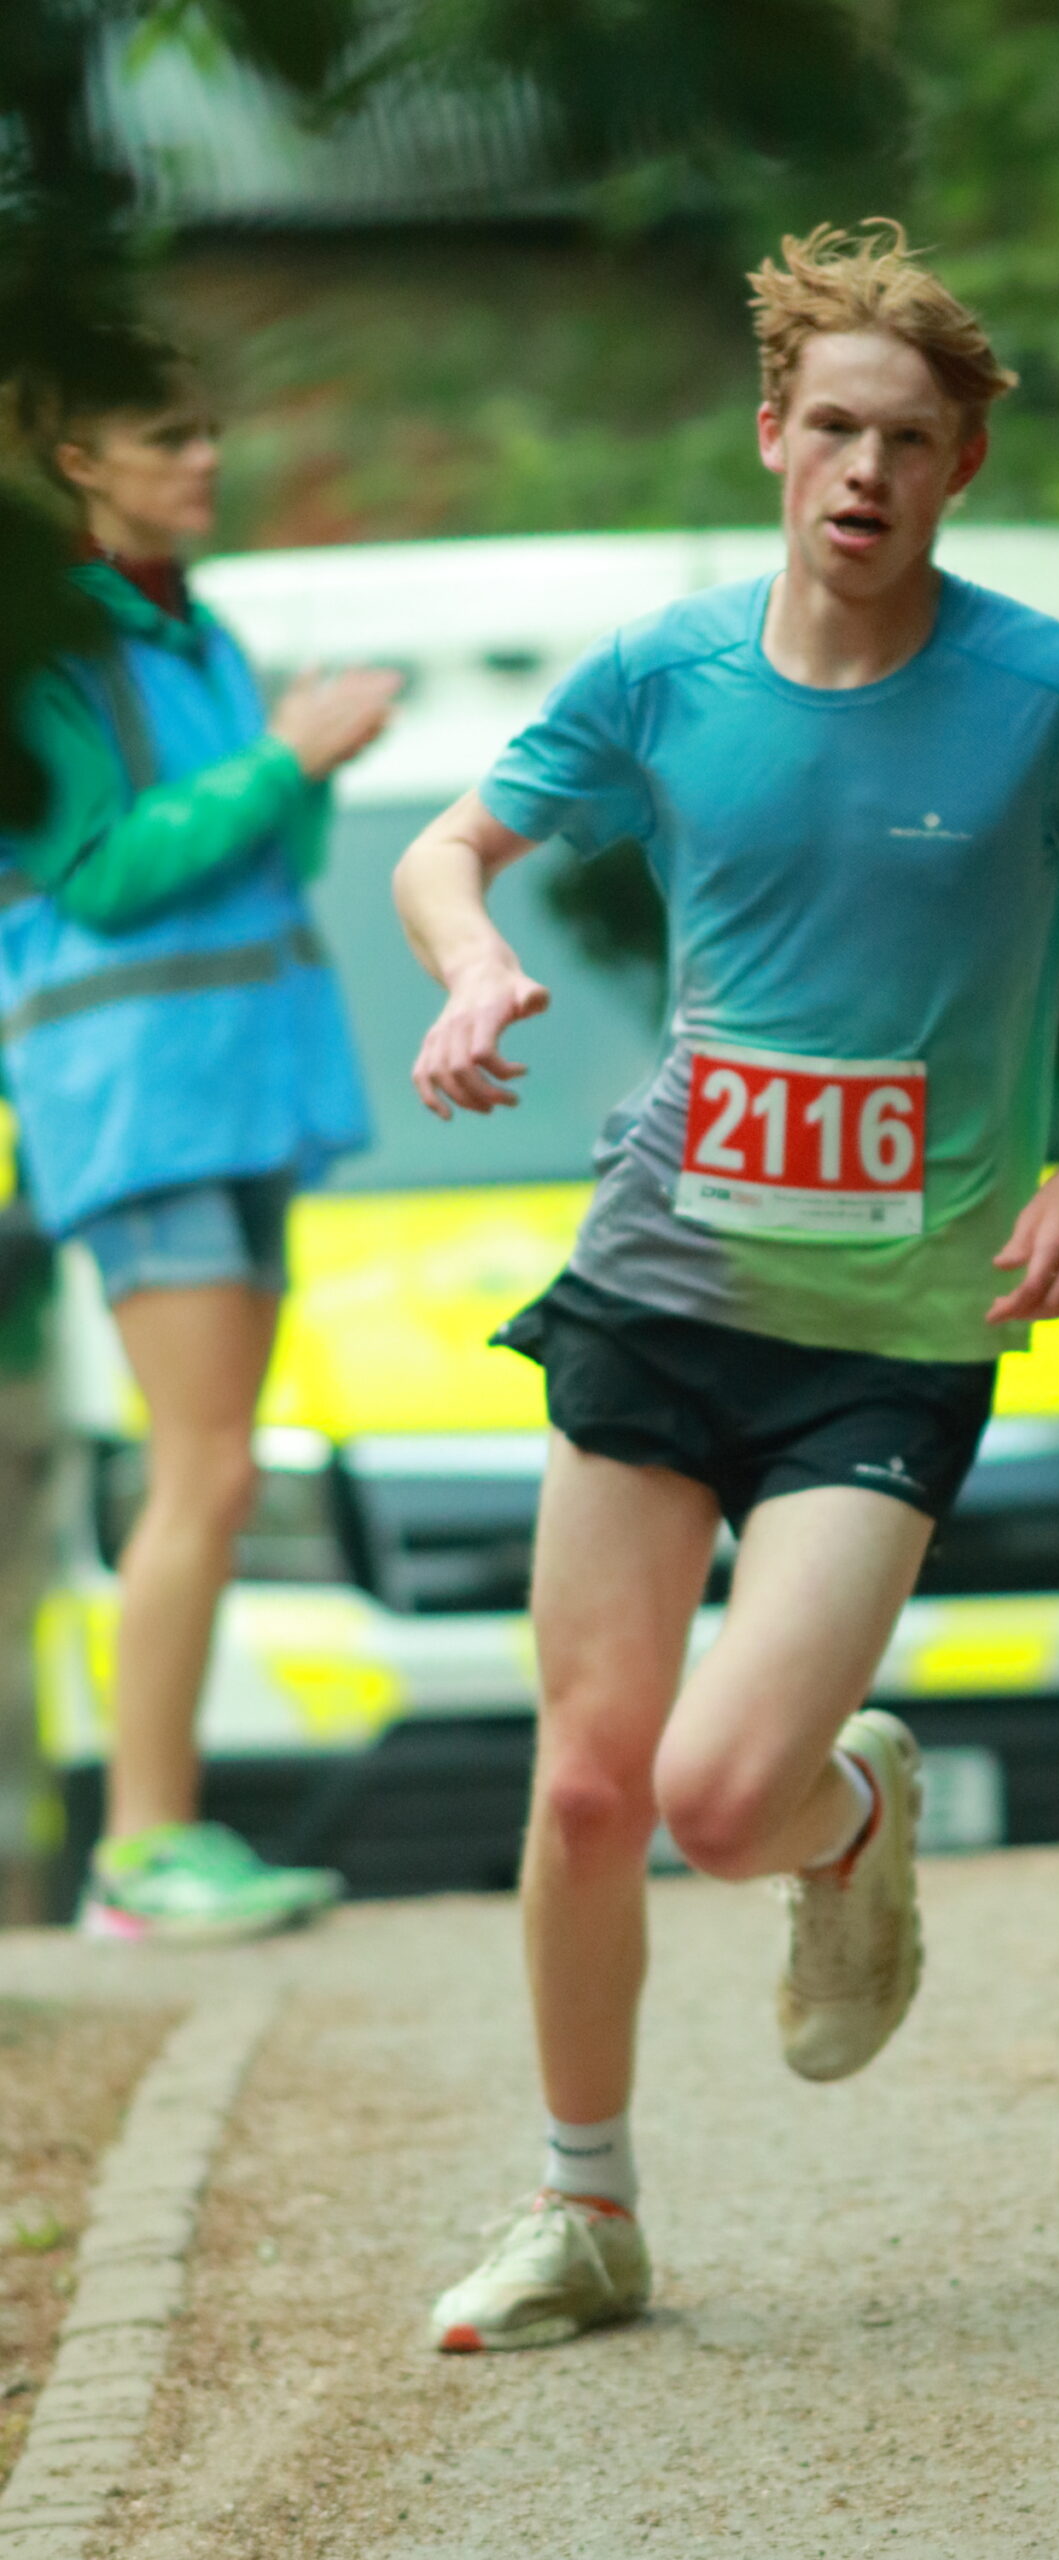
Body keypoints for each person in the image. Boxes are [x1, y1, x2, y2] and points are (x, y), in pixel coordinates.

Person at [394, 220, 1059, 2353]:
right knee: (587, 1782)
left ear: (958, 468)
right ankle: (584, 2207)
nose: (866, 471)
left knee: (712, 1801)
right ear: (773, 435)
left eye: (910, 441)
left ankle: (848, 1819)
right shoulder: (665, 675)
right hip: (659, 1278)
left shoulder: (1044, 694)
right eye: (835, 428)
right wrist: (472, 962)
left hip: (891, 1331)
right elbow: (444, 846)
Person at [0, 324, 399, 1936]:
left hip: (241, 1090)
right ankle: (141, 1850)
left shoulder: (203, 630)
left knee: (215, 1475)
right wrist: (289, 755)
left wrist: (305, 763)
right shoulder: (41, 653)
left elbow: (269, 852)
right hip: (138, 1100)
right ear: (77, 462)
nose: (207, 458)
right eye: (168, 436)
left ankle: (161, 1836)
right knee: (205, 1469)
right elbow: (102, 874)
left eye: (208, 430)